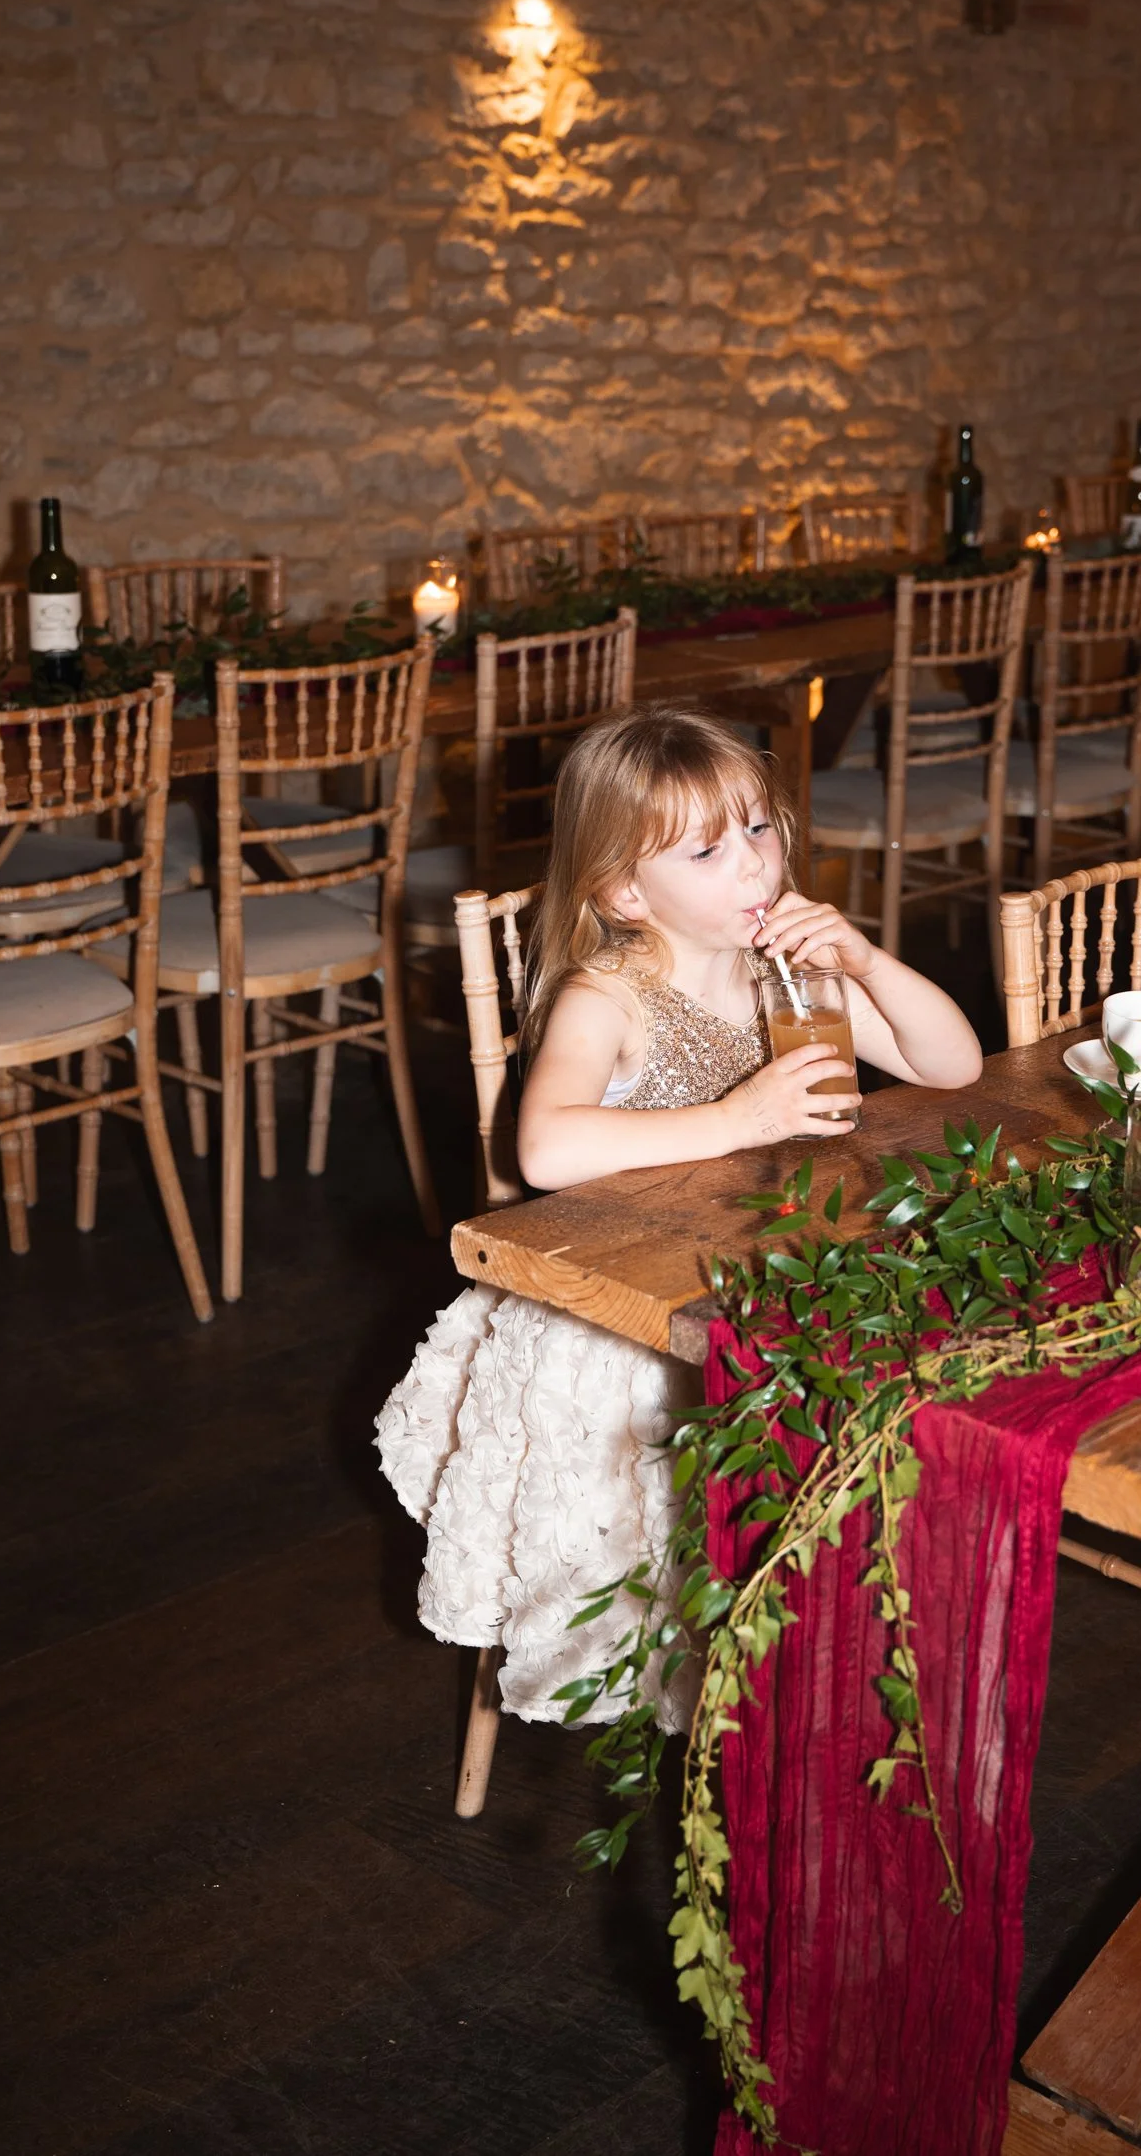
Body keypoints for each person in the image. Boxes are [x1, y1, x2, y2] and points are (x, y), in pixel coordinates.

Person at [375, 704, 983, 1733]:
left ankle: (801, 1658)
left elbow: (951, 1065)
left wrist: (865, 961)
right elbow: (544, 1149)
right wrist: (739, 1118)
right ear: (624, 891)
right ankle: (718, 1691)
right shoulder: (608, 995)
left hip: (761, 1276)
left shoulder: (788, 970)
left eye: (759, 827)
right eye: (706, 850)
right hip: (622, 1316)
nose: (753, 864)